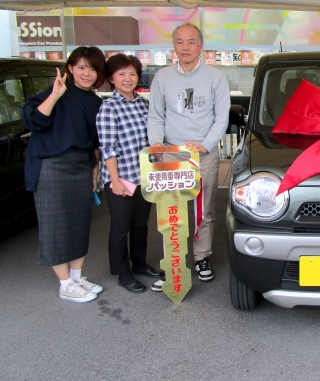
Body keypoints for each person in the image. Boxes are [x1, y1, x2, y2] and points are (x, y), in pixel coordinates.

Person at [147, 23, 230, 282]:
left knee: (204, 211)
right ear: (174, 46)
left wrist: (206, 144)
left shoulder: (216, 77)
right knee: (171, 213)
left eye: (191, 42)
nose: (185, 47)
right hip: (171, 153)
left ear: (200, 46)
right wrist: (156, 144)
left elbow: (222, 116)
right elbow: (155, 115)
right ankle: (173, 263)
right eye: (180, 42)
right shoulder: (162, 77)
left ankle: (201, 256)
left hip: (203, 155)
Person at [22, 46, 105, 302]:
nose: (87, 73)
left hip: (81, 166)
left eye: (93, 69)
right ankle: (65, 283)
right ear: (70, 68)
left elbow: (95, 143)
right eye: (81, 67)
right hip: (51, 166)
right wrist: (55, 95)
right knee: (56, 226)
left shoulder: (96, 102)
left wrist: (94, 172)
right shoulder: (55, 92)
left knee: (79, 223)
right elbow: (34, 122)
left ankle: (77, 277)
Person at [96, 54, 165, 294]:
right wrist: (114, 180)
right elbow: (107, 147)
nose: (128, 78)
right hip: (121, 178)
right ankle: (123, 273)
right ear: (111, 78)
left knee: (140, 224)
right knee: (120, 227)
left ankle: (139, 263)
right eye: (122, 74)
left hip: (142, 176)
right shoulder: (108, 108)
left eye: (132, 73)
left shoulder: (144, 104)